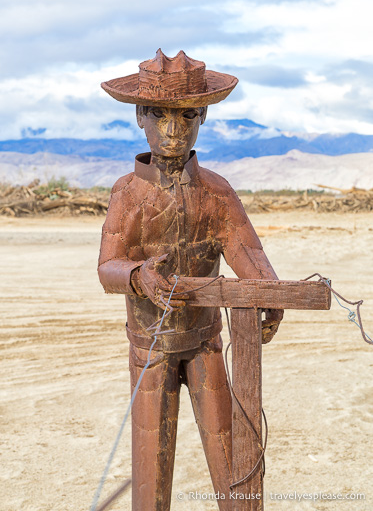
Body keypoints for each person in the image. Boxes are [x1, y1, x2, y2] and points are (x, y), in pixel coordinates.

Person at [98, 49, 283, 511]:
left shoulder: (216, 193)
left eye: (184, 117)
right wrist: (138, 275)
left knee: (231, 461)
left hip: (205, 344)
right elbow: (107, 265)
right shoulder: (128, 194)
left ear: (201, 116)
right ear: (141, 117)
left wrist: (270, 293)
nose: (172, 130)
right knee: (150, 475)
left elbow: (248, 252)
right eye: (160, 116)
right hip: (150, 349)